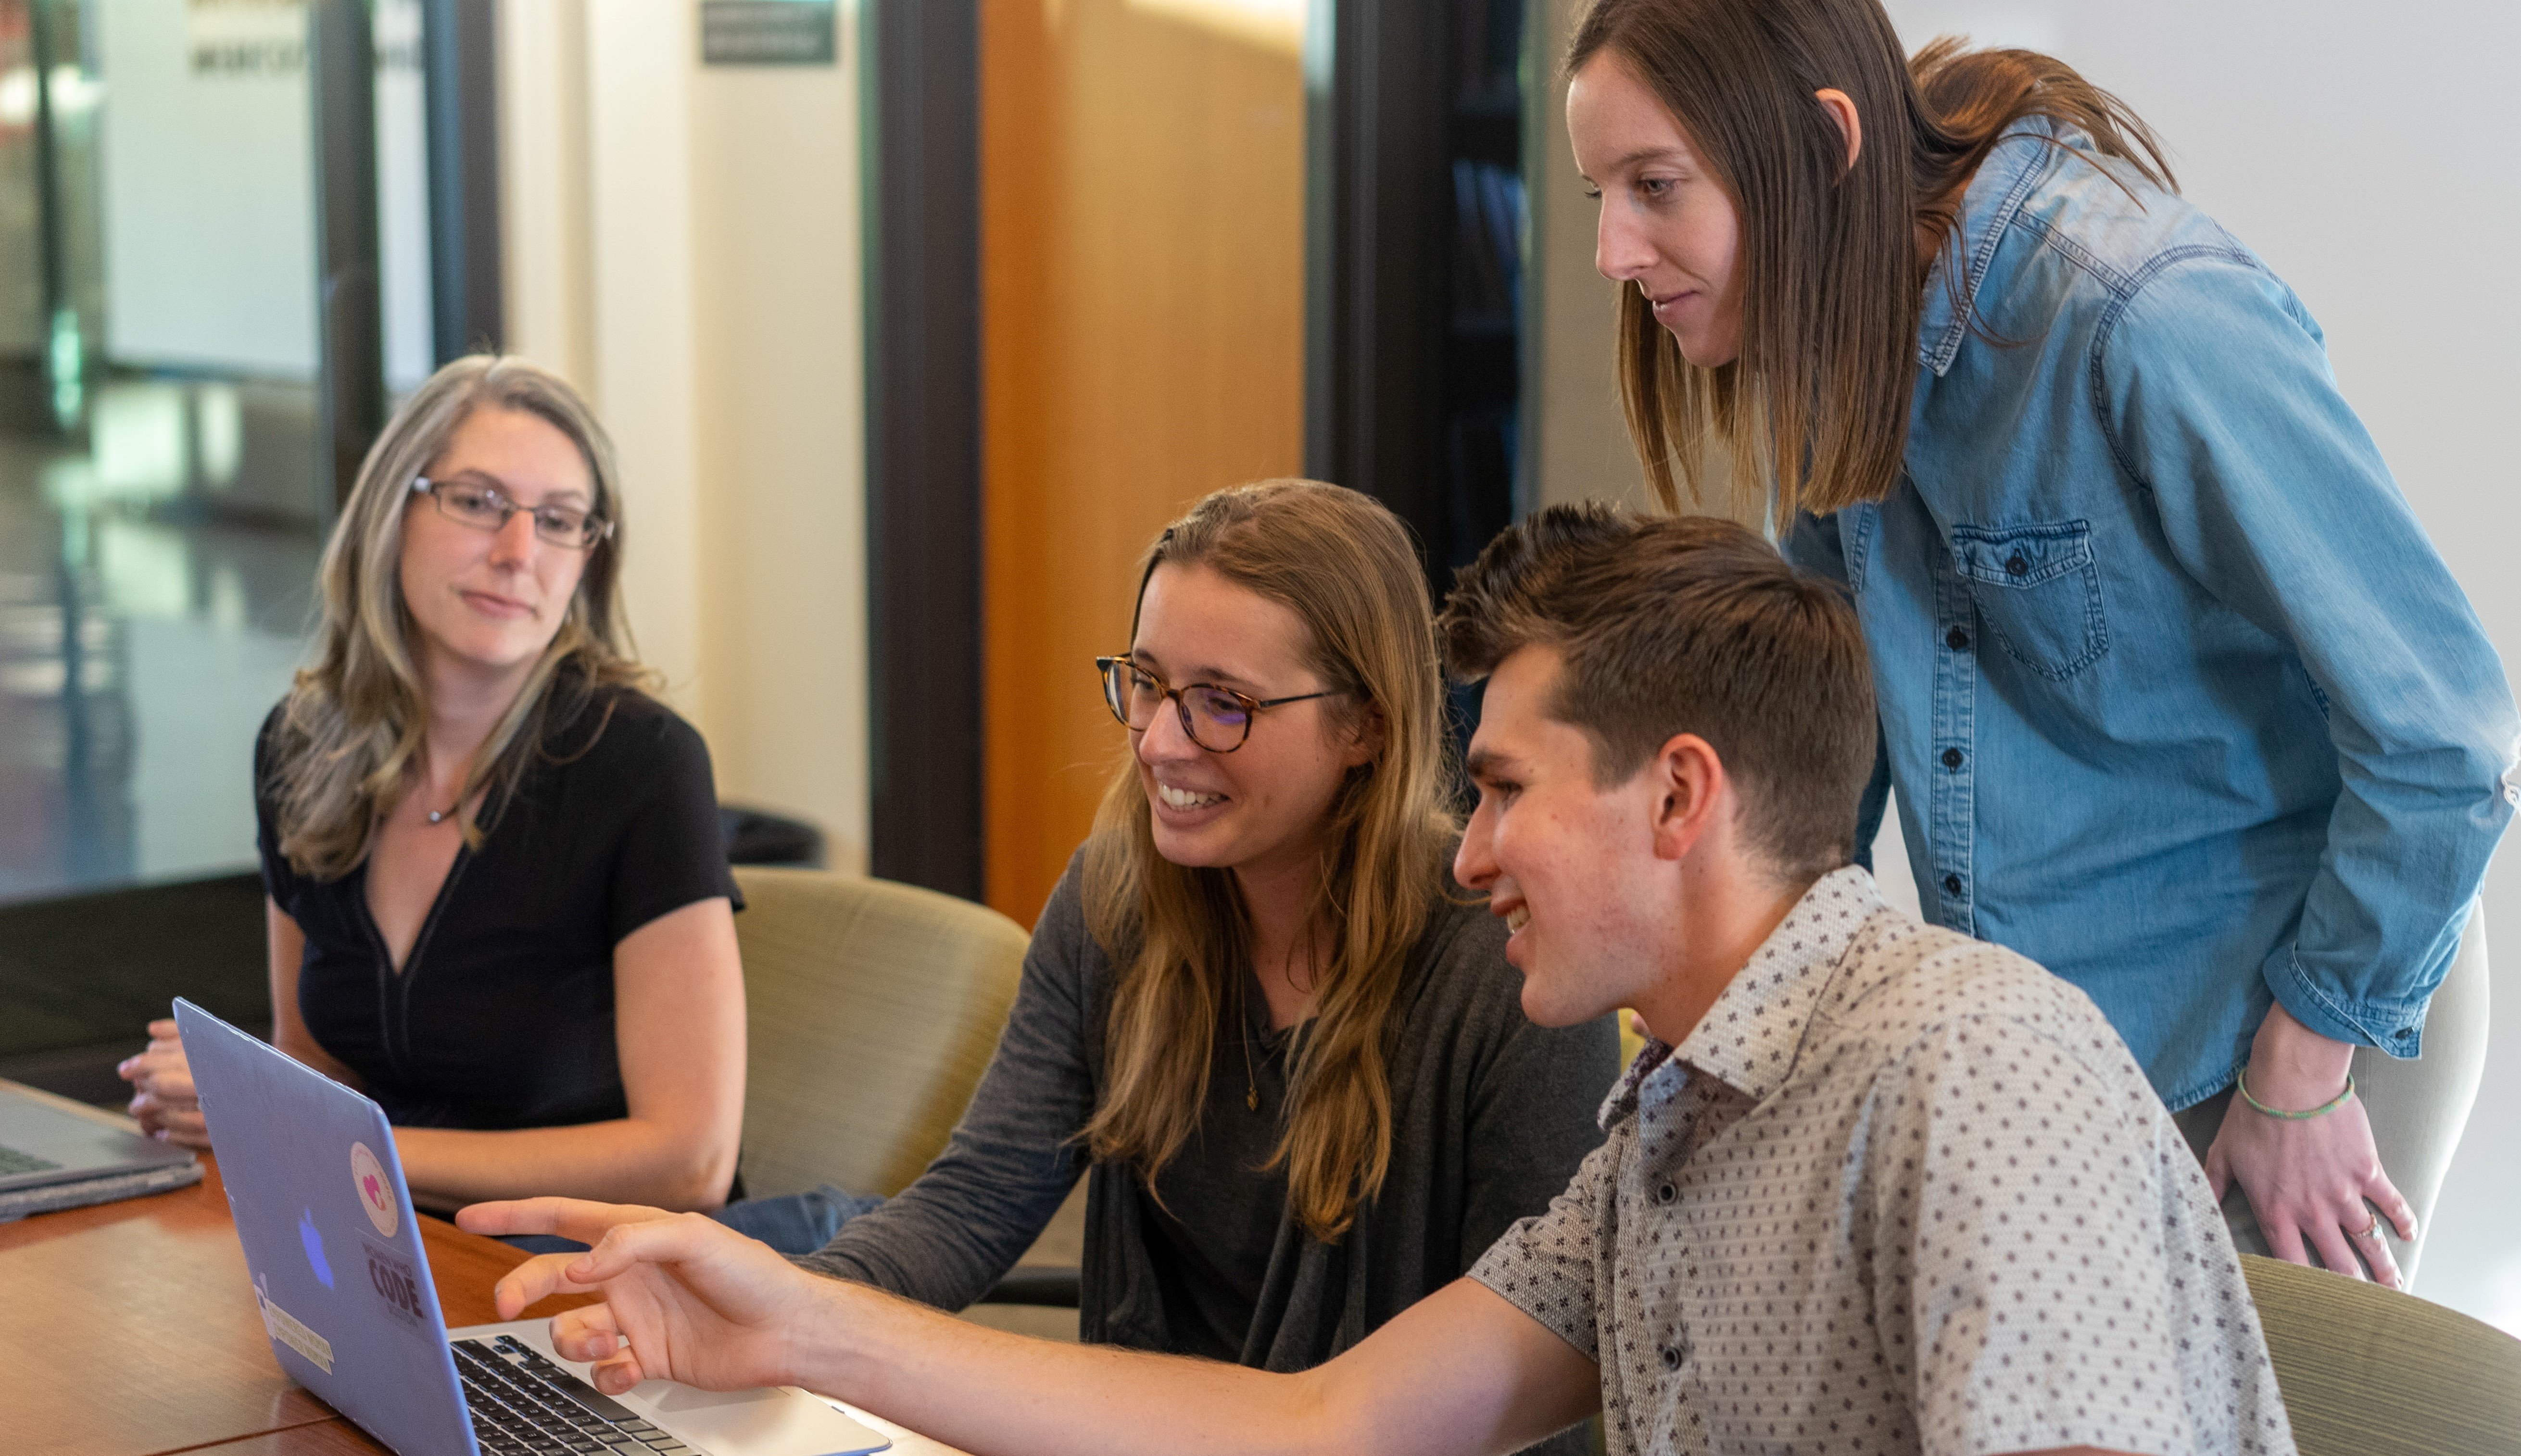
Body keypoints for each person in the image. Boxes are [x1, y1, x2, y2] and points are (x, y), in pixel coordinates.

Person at [462, 506, 2293, 1456]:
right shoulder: (1663, 1130)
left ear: (1679, 795)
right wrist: (792, 1316)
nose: (1468, 847)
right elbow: (1328, 1420)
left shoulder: (1973, 1057)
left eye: (1499, 793)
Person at [1560, 0, 2521, 1288]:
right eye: (1598, 196)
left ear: (1826, 142)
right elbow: (1818, 764)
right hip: (2056, 1049)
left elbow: (2449, 732)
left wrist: (2298, 1074)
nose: (1616, 250)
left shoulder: (2145, 316)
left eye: (1656, 187)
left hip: (2291, 1028)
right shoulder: (1835, 351)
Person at [708, 482, 1619, 1404]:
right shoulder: (1113, 899)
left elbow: (1534, 1388)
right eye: (1147, 683)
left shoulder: (1508, 965)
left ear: (1366, 724)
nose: (1157, 743)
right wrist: (770, 1306)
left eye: (1223, 701)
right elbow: (977, 1198)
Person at [116, 355, 746, 1223]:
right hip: (387, 1243)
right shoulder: (301, 750)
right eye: (479, 502)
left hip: (594, 1283)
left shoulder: (643, 763)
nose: (518, 551)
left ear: (587, 561)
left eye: (559, 520)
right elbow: (318, 1063)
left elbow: (690, 1162)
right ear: (393, 513)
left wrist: (318, 1135)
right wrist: (225, 1091)